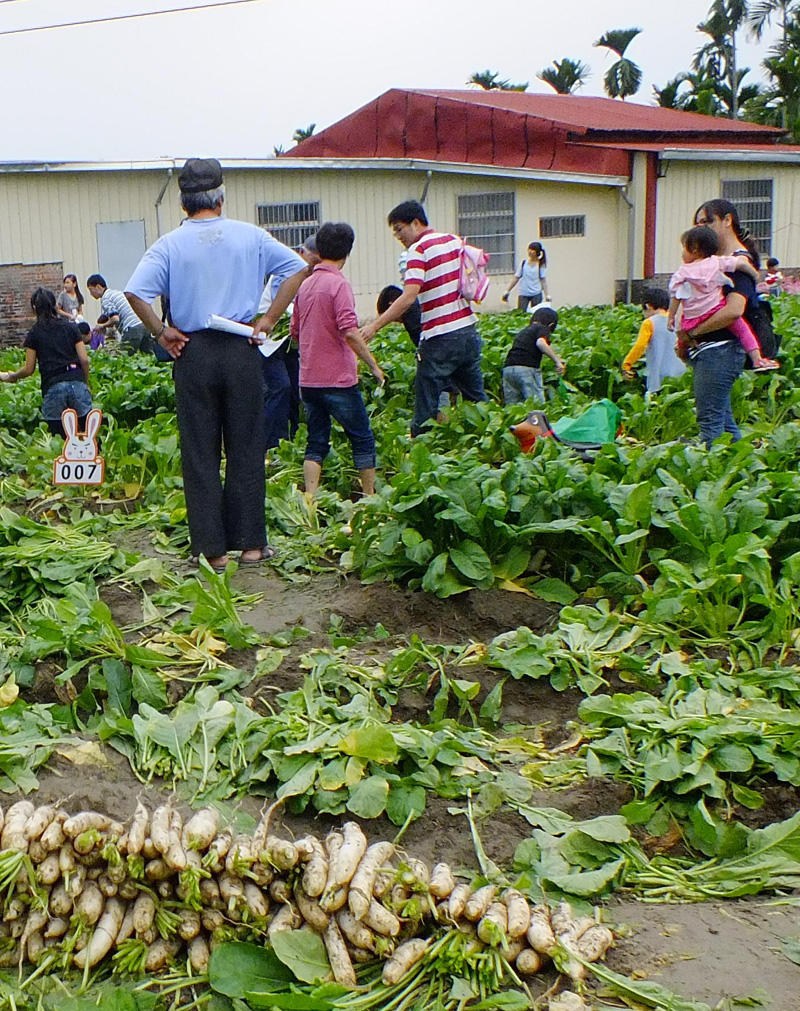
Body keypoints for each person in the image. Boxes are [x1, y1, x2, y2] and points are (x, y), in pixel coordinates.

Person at [124, 157, 307, 570]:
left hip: (192, 351)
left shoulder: (169, 244)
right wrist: (270, 318)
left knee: (200, 451)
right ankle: (252, 546)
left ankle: (213, 551)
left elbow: (136, 293)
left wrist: (160, 331)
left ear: (183, 203)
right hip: (242, 346)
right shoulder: (250, 236)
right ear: (221, 197)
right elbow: (297, 268)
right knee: (246, 444)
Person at [361, 200, 487, 437]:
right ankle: (491, 441)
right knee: (477, 399)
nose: (398, 235)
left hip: (439, 335)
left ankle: (422, 446)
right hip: (468, 330)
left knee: (426, 401)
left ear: (416, 223)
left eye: (399, 229)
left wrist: (375, 326)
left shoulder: (417, 251)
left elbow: (409, 297)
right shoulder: (454, 240)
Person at [291, 221, 384, 496]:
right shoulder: (338, 284)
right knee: (362, 438)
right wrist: (373, 366)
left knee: (316, 442)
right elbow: (350, 332)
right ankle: (369, 498)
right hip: (338, 380)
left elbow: (294, 331)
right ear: (347, 252)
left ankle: (310, 500)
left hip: (308, 379)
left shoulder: (305, 286)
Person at [681, 198, 780, 447]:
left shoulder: (738, 262)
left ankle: (718, 471)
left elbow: (734, 311)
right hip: (713, 349)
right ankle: (738, 468)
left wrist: (692, 332)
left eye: (707, 221)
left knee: (710, 419)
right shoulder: (714, 260)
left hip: (723, 349)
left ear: (728, 221)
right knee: (723, 421)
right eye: (698, 223)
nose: (702, 228)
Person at [668, 226, 778, 373]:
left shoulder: (682, 271)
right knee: (744, 330)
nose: (682, 254)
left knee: (683, 339)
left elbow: (676, 296)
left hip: (693, 318)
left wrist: (671, 317)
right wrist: (755, 275)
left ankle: (686, 359)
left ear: (694, 249)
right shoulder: (717, 262)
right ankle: (757, 358)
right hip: (716, 310)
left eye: (684, 249)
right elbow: (741, 264)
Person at [0, 288, 91, 437]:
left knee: (58, 438)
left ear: (35, 308)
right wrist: (85, 383)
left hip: (53, 386)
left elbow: (29, 369)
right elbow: (84, 360)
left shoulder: (34, 333)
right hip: (77, 382)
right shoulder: (71, 327)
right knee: (88, 434)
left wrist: (12, 376)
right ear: (55, 305)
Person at [258, 235, 320, 452]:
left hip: (288, 342)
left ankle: (292, 437)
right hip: (269, 342)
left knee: (295, 388)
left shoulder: (313, 275)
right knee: (280, 386)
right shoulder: (287, 271)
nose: (313, 266)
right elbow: (284, 304)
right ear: (302, 252)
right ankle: (271, 442)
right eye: (312, 260)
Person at [622, 288, 686, 394]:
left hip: (659, 376)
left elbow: (640, 346)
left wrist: (627, 364)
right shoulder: (678, 320)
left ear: (648, 306)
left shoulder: (649, 323)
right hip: (680, 374)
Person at [502, 306, 565, 404]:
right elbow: (541, 343)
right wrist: (557, 361)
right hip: (527, 369)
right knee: (535, 405)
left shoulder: (524, 331)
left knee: (513, 407)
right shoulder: (543, 328)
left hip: (508, 369)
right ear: (551, 325)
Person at [86, 274, 154, 355]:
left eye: (91, 290)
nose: (91, 294)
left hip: (132, 328)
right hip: (143, 325)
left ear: (98, 287)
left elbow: (115, 318)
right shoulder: (116, 293)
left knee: (122, 358)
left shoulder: (105, 298)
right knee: (148, 357)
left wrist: (102, 326)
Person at [501, 242, 549, 311]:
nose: (530, 251)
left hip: (536, 293)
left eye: (532, 250)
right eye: (529, 249)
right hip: (523, 293)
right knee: (521, 313)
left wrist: (547, 295)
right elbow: (516, 278)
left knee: (535, 313)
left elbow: (543, 281)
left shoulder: (540, 265)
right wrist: (507, 290)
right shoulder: (523, 263)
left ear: (537, 252)